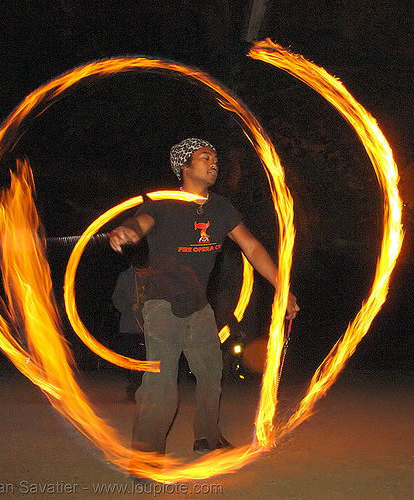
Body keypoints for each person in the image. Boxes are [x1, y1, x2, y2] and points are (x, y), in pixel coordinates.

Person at [108, 138, 299, 458]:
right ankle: (146, 455)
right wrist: (127, 232)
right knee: (161, 386)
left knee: (212, 376)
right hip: (162, 307)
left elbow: (251, 247)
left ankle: (207, 437)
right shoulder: (162, 204)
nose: (214, 163)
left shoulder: (221, 209)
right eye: (205, 157)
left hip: (199, 309)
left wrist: (283, 287)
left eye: (215, 157)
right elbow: (139, 224)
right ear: (184, 166)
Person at [111, 254, 149, 401]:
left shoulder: (156, 276)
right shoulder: (125, 277)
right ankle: (134, 388)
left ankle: (147, 390)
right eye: (137, 272)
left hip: (151, 327)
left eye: (143, 272)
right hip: (130, 326)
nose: (140, 275)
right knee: (132, 359)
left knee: (148, 360)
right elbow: (116, 298)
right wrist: (127, 307)